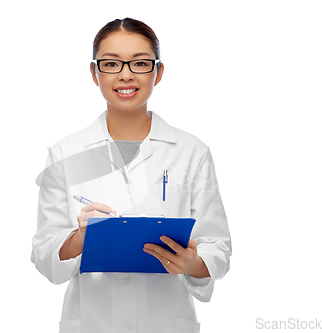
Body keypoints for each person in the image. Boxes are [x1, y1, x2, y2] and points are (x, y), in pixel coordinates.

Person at [31, 17, 232, 333]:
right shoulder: (64, 153)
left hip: (166, 322)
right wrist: (80, 238)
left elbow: (217, 245)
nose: (125, 74)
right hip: (93, 322)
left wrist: (191, 263)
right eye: (111, 64)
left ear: (158, 71)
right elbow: (44, 251)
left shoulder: (192, 151)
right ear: (94, 73)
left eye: (140, 63)